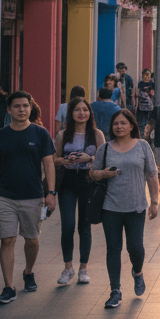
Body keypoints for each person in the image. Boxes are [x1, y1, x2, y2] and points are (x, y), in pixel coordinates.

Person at [0, 91, 56, 304]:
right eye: (17, 106)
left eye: (25, 106)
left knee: (31, 240)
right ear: (9, 110)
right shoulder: (0, 136)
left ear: (30, 108)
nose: (22, 110)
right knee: (7, 239)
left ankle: (28, 271)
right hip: (5, 196)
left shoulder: (40, 134)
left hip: (32, 196)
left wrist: (51, 193)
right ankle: (9, 287)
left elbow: (49, 164)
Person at [90, 110, 159, 308]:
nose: (118, 127)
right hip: (110, 207)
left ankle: (137, 272)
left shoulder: (142, 146)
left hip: (136, 207)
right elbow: (93, 174)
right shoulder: (105, 148)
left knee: (135, 248)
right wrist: (102, 174)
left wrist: (154, 201)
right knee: (113, 248)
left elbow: (152, 174)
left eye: (123, 123)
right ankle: (115, 290)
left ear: (131, 125)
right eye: (115, 124)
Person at [54, 96, 105, 286]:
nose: (81, 113)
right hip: (67, 182)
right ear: (71, 113)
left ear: (89, 113)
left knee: (84, 225)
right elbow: (54, 159)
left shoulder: (97, 134)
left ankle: (83, 268)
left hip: (88, 182)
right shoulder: (62, 135)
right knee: (67, 225)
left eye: (85, 109)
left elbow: (103, 159)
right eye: (77, 110)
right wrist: (64, 160)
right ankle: (68, 267)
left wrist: (88, 158)